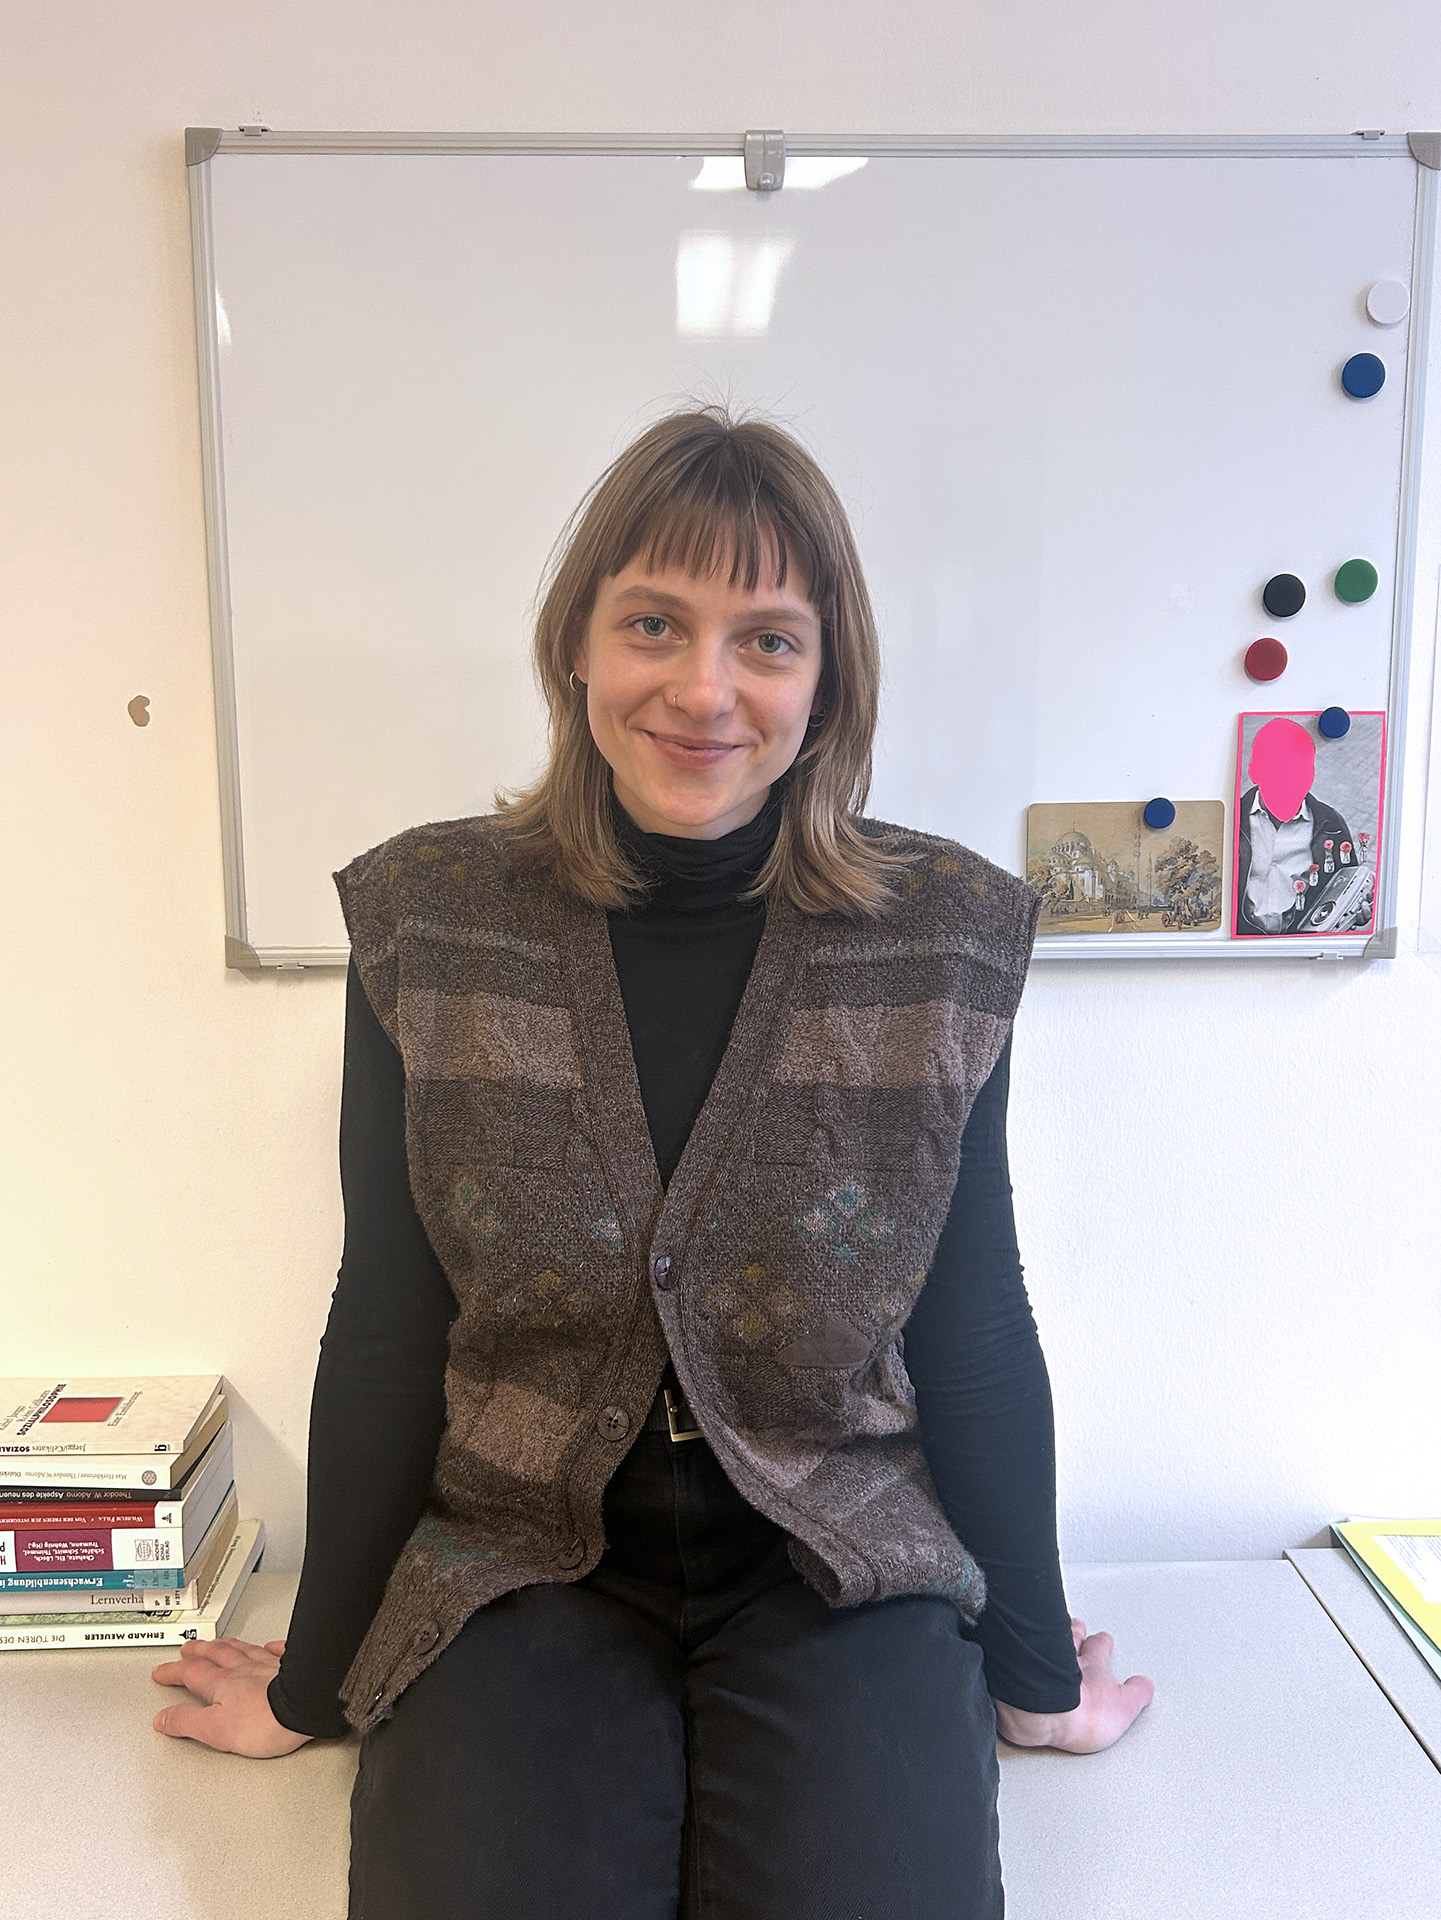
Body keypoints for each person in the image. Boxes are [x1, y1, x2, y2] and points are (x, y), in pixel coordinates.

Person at [150, 408, 1153, 1918]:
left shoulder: (942, 938)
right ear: (576, 643)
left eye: (768, 640)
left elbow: (973, 1320)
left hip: (836, 1558)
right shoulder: (432, 922)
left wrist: (1033, 1669)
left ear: (826, 680)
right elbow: (389, 1319)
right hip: (516, 1562)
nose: (703, 689)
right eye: (653, 624)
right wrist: (313, 1683)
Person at [1235, 717, 1360, 937]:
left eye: (1301, 769)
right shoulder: (1231, 820)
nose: (1290, 781)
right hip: (1241, 943)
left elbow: (1349, 885)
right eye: (1279, 770)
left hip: (1302, 944)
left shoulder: (1332, 825)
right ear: (1254, 772)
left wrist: (1356, 910)